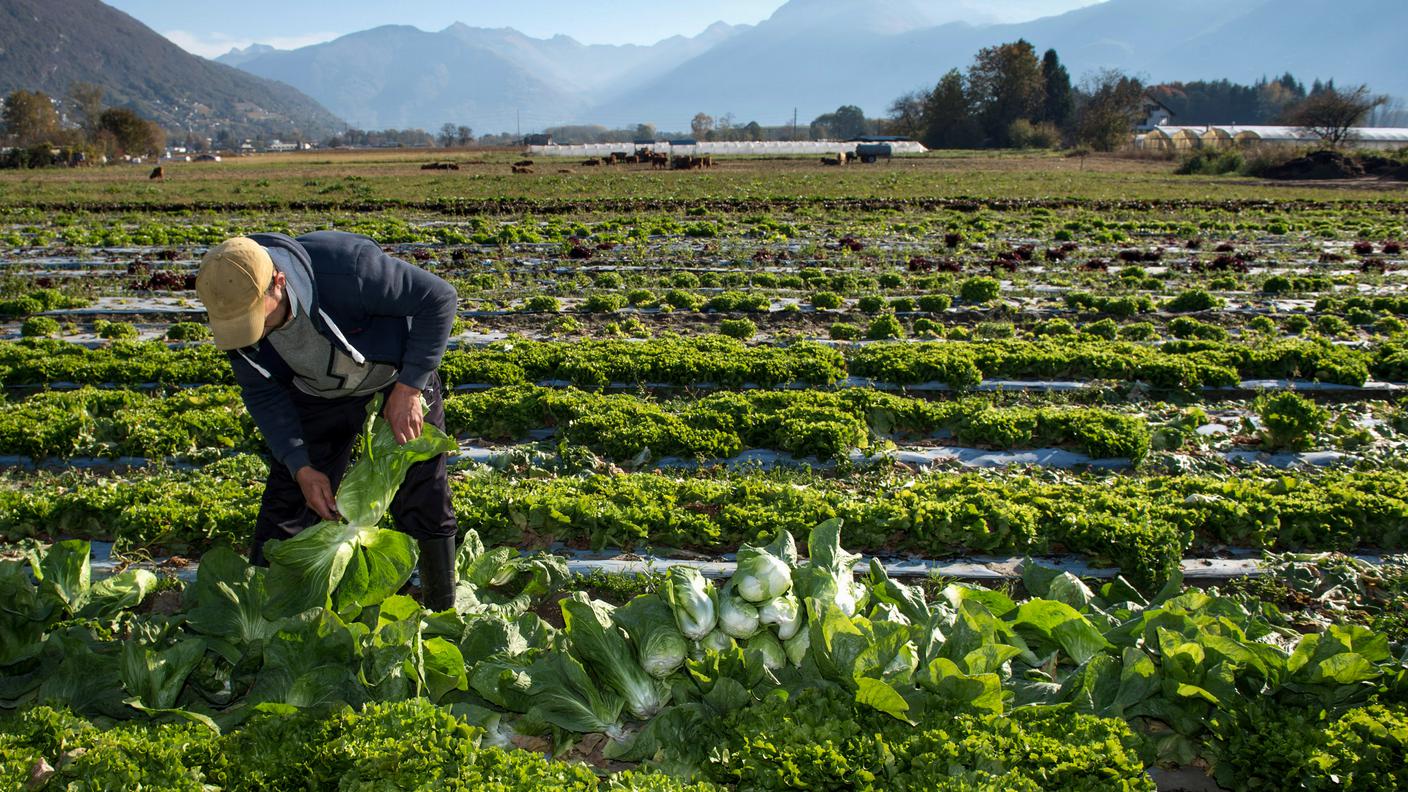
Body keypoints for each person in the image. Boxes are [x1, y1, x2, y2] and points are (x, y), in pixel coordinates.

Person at [194, 232, 459, 610]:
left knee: (422, 486)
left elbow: (439, 298)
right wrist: (300, 464)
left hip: (391, 378)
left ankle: (440, 608)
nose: (252, 332)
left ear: (279, 283)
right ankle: (265, 615)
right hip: (317, 392)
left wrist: (410, 388)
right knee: (291, 499)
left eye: (256, 318)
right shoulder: (233, 303)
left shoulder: (346, 270)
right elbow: (263, 392)